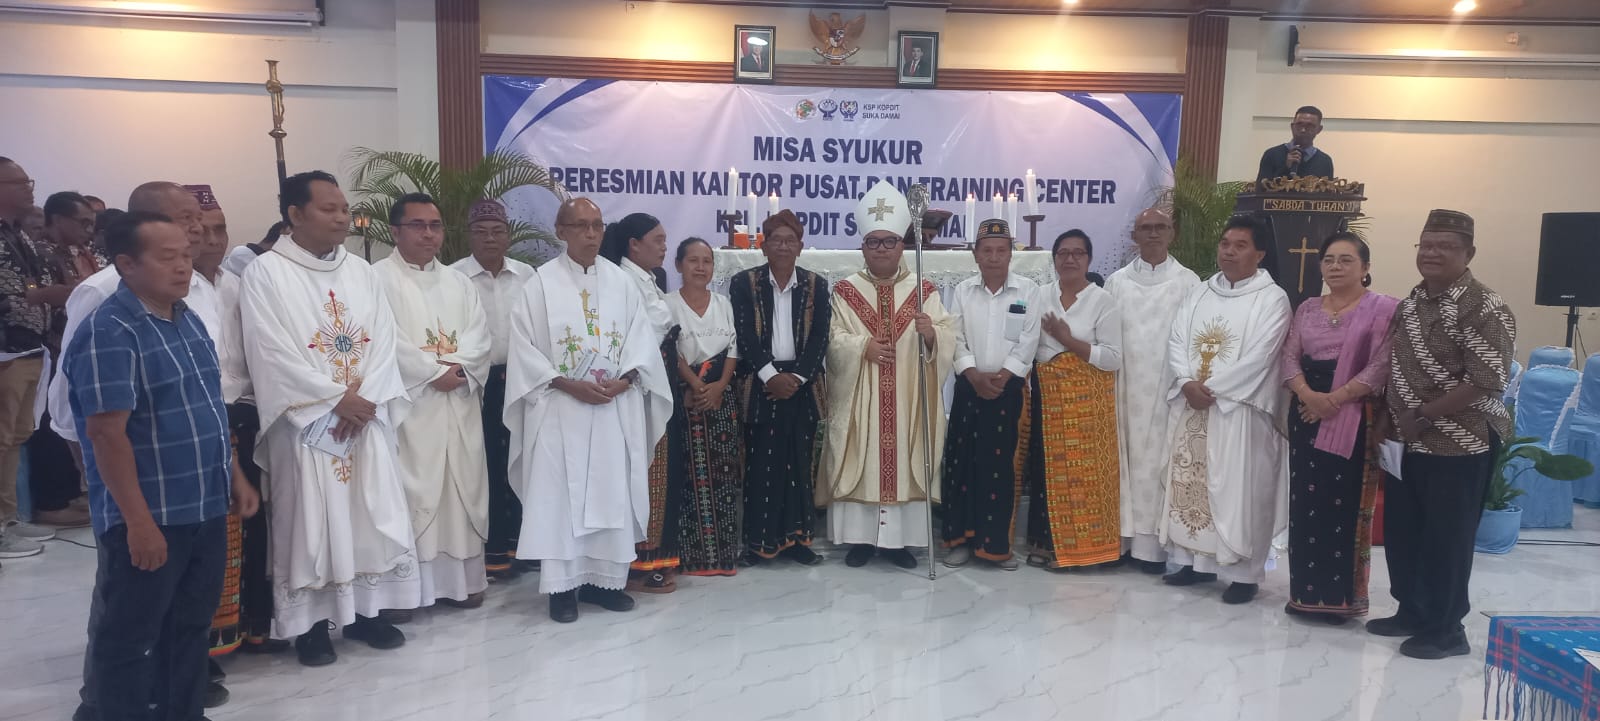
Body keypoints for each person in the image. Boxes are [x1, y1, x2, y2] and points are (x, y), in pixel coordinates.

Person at [65, 210, 259, 721]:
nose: (182, 267)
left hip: (204, 506)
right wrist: (138, 523)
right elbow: (106, 435)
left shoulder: (185, 318)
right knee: (130, 637)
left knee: (189, 628)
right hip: (151, 514)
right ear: (127, 264)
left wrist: (235, 475)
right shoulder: (111, 331)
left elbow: (210, 408)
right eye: (167, 257)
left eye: (186, 256)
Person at [239, 170, 418, 666]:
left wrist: (366, 400)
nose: (342, 217)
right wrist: (335, 400)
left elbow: (384, 339)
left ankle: (366, 613)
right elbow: (269, 350)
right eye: (329, 209)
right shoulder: (266, 273)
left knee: (365, 512)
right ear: (295, 215)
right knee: (311, 521)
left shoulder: (362, 271)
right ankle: (312, 625)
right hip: (307, 424)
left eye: (344, 208)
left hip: (365, 418)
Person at [505, 197, 670, 623]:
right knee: (561, 498)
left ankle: (604, 583)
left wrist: (627, 379)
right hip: (560, 408)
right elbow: (523, 348)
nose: (591, 234)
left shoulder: (621, 283)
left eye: (597, 225)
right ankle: (562, 589)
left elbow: (641, 342)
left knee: (612, 491)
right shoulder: (539, 285)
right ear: (561, 231)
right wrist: (566, 383)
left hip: (613, 408)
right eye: (580, 226)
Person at [1371, 209, 1515, 660]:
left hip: (1461, 439)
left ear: (1469, 253)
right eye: (1426, 245)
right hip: (1406, 436)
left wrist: (1426, 414)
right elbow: (1395, 365)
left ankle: (1447, 629)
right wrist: (1387, 417)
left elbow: (1487, 379)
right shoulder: (1412, 301)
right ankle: (1412, 611)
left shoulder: (1485, 306)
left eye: (1445, 246)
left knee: (1446, 537)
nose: (1432, 253)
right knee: (1405, 530)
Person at [820, 180, 956, 569]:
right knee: (862, 456)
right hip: (862, 396)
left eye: (890, 241)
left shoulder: (923, 289)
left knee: (904, 457)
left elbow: (947, 334)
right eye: (873, 242)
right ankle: (860, 540)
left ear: (902, 245)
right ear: (863, 247)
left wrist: (931, 335)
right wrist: (862, 347)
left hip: (906, 398)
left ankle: (899, 543)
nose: (881, 248)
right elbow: (831, 338)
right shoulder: (846, 291)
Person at [1158, 215, 1291, 605]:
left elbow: (1261, 357)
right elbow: (1177, 338)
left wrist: (1210, 390)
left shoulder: (1272, 298)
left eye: (1240, 245)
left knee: (1238, 491)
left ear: (1259, 253)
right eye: (1225, 243)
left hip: (1239, 412)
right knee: (1190, 483)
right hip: (1192, 406)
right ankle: (1190, 562)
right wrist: (1187, 382)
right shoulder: (1200, 292)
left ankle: (1243, 575)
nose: (1229, 251)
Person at [375, 193, 492, 609]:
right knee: (413, 491)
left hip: (457, 402)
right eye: (417, 225)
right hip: (412, 408)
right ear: (395, 231)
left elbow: (480, 335)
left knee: (460, 488)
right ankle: (407, 593)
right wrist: (430, 373)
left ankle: (461, 582)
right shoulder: (375, 279)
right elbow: (384, 338)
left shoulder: (459, 282)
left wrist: (457, 369)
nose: (428, 234)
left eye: (435, 225)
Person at [1279, 232, 1397, 625]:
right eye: (1329, 259)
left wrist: (1335, 399)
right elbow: (1289, 357)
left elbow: (1381, 364)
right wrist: (1308, 396)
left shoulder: (1383, 309)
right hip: (1306, 414)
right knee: (1306, 503)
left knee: (1342, 504)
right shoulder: (1308, 308)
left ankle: (1341, 599)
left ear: (1365, 267)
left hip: (1354, 416)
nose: (1335, 267)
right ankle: (1305, 595)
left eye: (1346, 260)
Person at [729, 209, 831, 567]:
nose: (784, 246)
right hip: (761, 385)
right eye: (776, 240)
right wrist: (771, 376)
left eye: (790, 240)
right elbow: (744, 334)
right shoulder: (745, 283)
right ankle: (758, 544)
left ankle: (797, 542)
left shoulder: (817, 285)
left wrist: (797, 378)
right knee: (761, 466)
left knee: (799, 465)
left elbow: (820, 337)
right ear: (764, 246)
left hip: (802, 387)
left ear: (800, 247)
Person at [1105, 207, 1200, 574]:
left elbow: (1193, 338)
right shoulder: (1116, 282)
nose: (1153, 234)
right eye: (1145, 228)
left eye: (1161, 227)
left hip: (1166, 389)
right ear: (1134, 235)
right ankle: (1119, 542)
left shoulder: (1189, 282)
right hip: (1124, 386)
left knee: (1156, 464)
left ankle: (1151, 550)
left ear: (1172, 233)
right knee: (1123, 461)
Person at [941, 219, 1039, 570]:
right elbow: (955, 335)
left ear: (1011, 254)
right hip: (969, 388)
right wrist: (972, 373)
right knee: (963, 465)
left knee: (1000, 469)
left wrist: (1003, 375)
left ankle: (995, 547)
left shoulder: (1028, 290)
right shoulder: (964, 291)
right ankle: (960, 542)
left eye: (1001, 250)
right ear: (976, 255)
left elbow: (1029, 338)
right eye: (987, 250)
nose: (994, 257)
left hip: (1007, 390)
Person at [1026, 229, 1125, 570]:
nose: (1070, 259)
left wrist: (1068, 341)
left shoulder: (1103, 301)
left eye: (1078, 253)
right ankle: (1043, 543)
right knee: (1045, 469)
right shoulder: (1039, 295)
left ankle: (1087, 549)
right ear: (1054, 259)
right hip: (1048, 397)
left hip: (1086, 403)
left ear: (1089, 259)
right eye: (1063, 253)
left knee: (1085, 476)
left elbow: (1113, 358)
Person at [600, 212, 684, 593]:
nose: (664, 247)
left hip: (660, 383)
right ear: (634, 245)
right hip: (640, 390)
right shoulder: (620, 280)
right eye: (658, 240)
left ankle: (655, 558)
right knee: (647, 471)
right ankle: (639, 563)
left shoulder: (651, 278)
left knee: (661, 472)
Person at [451, 199, 534, 580]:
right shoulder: (454, 278)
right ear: (469, 236)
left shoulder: (527, 276)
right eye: (481, 232)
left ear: (508, 236)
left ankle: (523, 547)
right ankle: (492, 552)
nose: (490, 239)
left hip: (521, 382)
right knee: (483, 467)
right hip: (475, 385)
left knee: (522, 463)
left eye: (497, 231)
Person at [28, 191, 105, 528]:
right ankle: (52, 502)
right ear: (58, 220)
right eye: (82, 222)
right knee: (52, 426)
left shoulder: (81, 252)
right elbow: (35, 296)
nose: (89, 230)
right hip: (51, 347)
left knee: (73, 422)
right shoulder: (41, 253)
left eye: (92, 224)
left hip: (78, 347)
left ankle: (73, 493)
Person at [666, 237, 743, 576]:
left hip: (721, 400)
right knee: (690, 477)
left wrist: (720, 386)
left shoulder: (723, 303)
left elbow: (734, 348)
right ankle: (693, 556)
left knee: (724, 476)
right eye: (693, 260)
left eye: (707, 261)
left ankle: (723, 555)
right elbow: (670, 350)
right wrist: (697, 386)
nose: (700, 267)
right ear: (678, 265)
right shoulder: (666, 304)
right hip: (687, 399)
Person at [0, 158, 59, 560]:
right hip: (5, 349)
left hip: (29, 347)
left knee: (16, 436)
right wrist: (39, 297)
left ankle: (8, 519)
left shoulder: (17, 234)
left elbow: (33, 284)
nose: (30, 188)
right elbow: (15, 293)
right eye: (20, 182)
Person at [1257, 106, 1335, 183]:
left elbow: (1327, 190)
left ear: (1319, 129)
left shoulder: (1325, 161)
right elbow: (1260, 188)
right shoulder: (1272, 155)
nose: (1303, 130)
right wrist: (1286, 168)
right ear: (1292, 126)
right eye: (1299, 124)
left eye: (1310, 126)